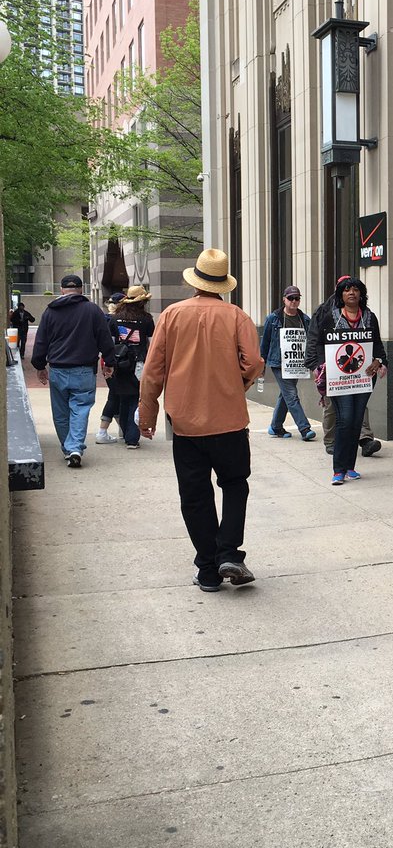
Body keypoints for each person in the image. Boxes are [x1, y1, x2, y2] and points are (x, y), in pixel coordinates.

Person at [138, 248, 264, 591]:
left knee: (195, 495)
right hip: (229, 421)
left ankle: (208, 569)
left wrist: (147, 413)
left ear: (194, 281)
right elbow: (254, 362)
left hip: (186, 423)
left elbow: (153, 370)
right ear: (223, 284)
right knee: (235, 485)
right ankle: (229, 553)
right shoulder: (237, 316)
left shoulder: (171, 315)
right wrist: (237, 384)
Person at [305, 276, 386, 486]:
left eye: (355, 289)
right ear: (340, 295)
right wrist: (319, 366)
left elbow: (377, 344)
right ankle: (338, 470)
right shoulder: (330, 317)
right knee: (345, 419)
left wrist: (379, 361)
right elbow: (318, 344)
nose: (352, 293)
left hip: (364, 378)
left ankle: (350, 467)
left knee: (357, 421)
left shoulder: (369, 317)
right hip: (338, 379)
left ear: (361, 294)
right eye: (347, 289)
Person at [30, 274, 116, 468]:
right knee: (80, 410)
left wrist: (39, 366)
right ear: (81, 289)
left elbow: (41, 341)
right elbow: (104, 337)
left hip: (58, 369)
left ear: (61, 290)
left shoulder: (50, 312)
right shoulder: (92, 310)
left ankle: (69, 449)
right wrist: (109, 362)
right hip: (84, 369)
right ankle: (74, 447)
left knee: (61, 413)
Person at [259, 285, 316, 441]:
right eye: (290, 298)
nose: (294, 301)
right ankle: (305, 428)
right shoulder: (273, 318)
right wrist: (261, 363)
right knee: (291, 394)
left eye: (297, 298)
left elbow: (311, 341)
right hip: (278, 362)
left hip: (297, 363)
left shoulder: (305, 319)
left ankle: (276, 426)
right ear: (284, 299)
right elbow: (265, 342)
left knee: (285, 395)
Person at [107, 285, 154, 450]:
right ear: (142, 302)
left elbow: (111, 341)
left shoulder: (115, 318)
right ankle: (132, 438)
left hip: (120, 361)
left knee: (123, 398)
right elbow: (151, 342)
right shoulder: (146, 319)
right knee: (135, 397)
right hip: (139, 362)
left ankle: (126, 433)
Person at [96, 291, 127, 443]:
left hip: (107, 359)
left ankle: (123, 429)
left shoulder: (104, 319)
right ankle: (102, 432)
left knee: (117, 394)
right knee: (115, 395)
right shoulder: (116, 321)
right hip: (115, 360)